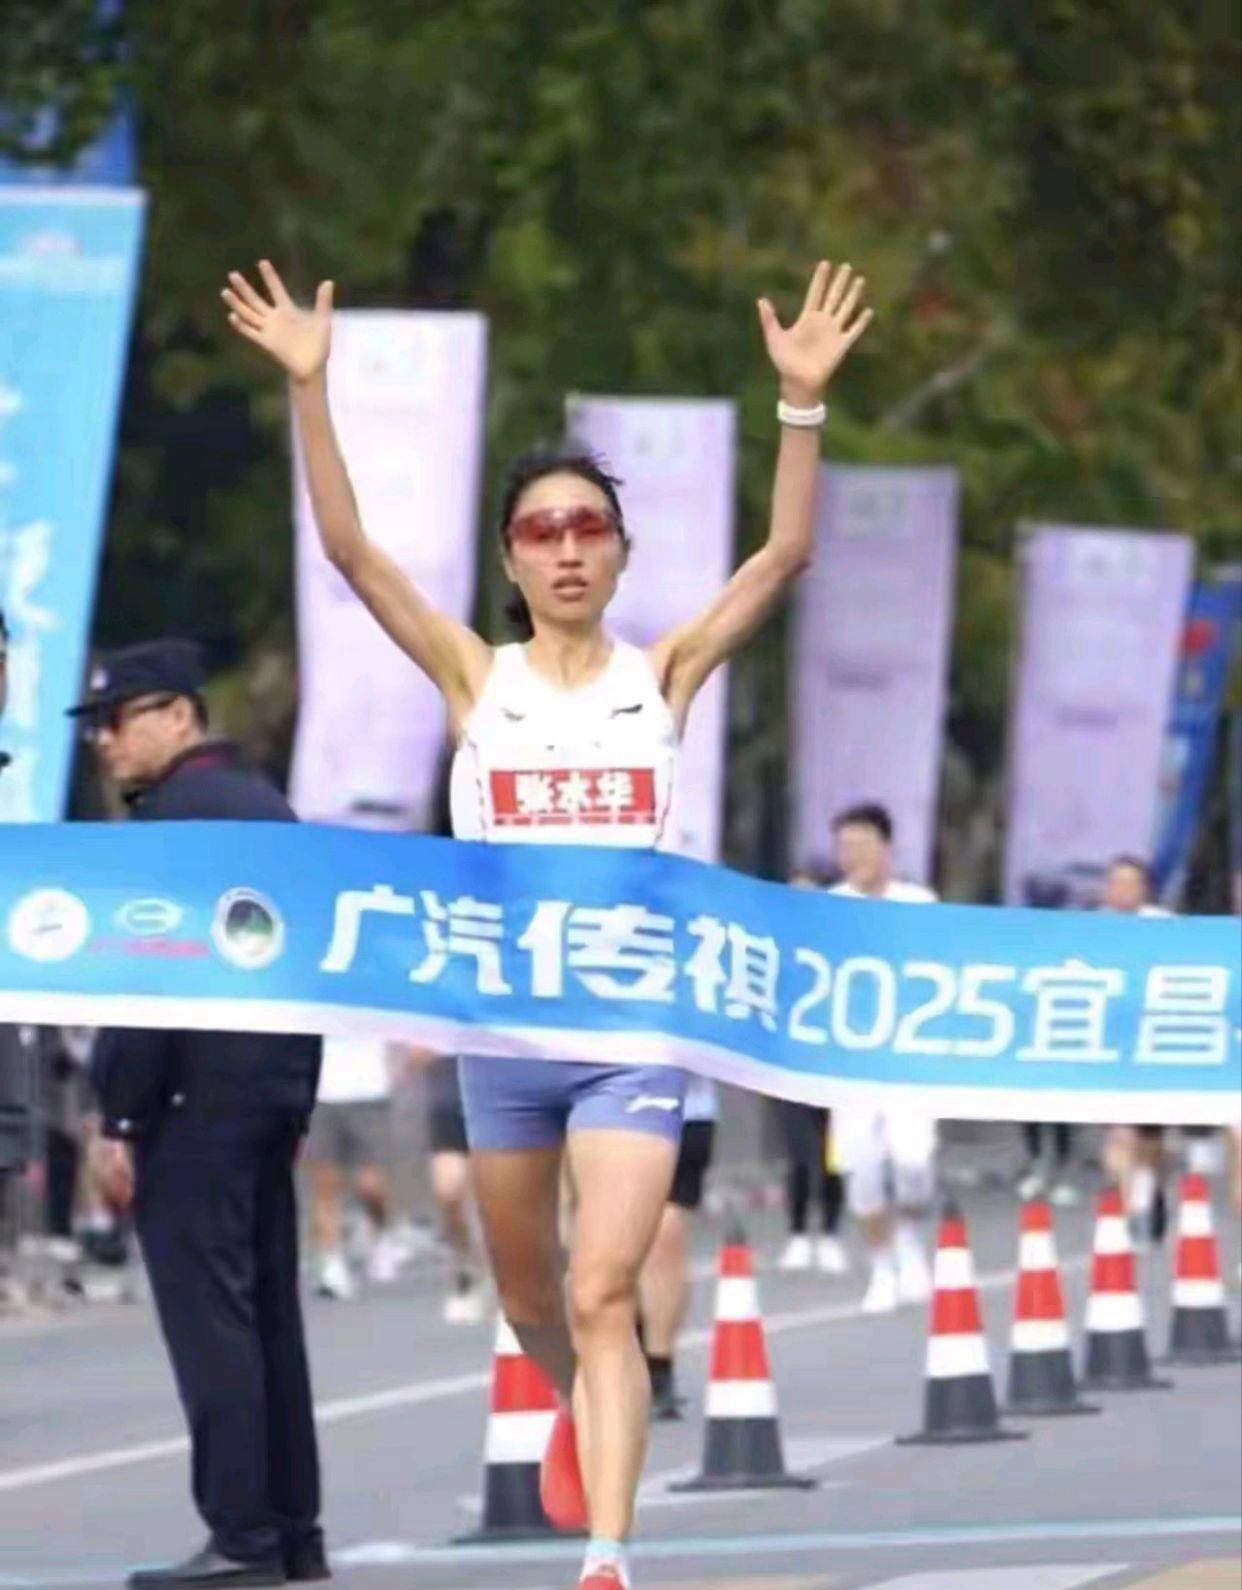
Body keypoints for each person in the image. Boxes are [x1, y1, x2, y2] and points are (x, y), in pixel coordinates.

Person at [224, 253, 872, 1590]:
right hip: (504, 1034)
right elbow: (349, 553)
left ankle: (607, 1555)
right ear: (511, 561)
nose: (568, 548)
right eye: (541, 531)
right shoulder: (478, 676)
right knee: (529, 1298)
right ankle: (589, 1407)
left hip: (631, 1026)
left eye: (588, 527)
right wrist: (308, 387)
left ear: (620, 551)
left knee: (599, 1288)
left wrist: (800, 404)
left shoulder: (662, 673)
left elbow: (785, 554)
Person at [73, 640, 327, 1588]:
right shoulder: (272, 810)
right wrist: (296, 1097)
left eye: (117, 719)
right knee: (270, 1320)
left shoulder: (166, 823)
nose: (105, 742)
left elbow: (147, 984)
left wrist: (119, 1117)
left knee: (210, 1323)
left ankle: (242, 1537)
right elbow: (310, 961)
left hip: (189, 1103)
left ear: (180, 715)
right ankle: (294, 1533)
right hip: (271, 1094)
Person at [827, 803, 938, 1314]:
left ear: (886, 848)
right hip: (850, 1063)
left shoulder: (919, 904)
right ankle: (882, 1266)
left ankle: (910, 1238)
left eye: (862, 845)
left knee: (913, 1160)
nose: (852, 856)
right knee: (862, 1170)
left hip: (908, 1058)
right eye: (844, 847)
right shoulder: (828, 907)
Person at [1098, 854, 1174, 1244]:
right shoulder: (1090, 929)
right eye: (1117, 882)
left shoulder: (1163, 926)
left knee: (1150, 1136)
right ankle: (1130, 1213)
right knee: (1119, 1133)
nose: (1123, 891)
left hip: (1155, 1044)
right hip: (1109, 1047)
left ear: (1144, 889)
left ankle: (1148, 1188)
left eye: (1132, 883)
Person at [639, 1075, 718, 1420]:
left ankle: (659, 1368)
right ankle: (622, 1346)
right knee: (603, 1232)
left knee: (663, 1231)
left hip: (681, 1109)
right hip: (592, 1106)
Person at [305, 1036, 407, 1300]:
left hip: (368, 1093)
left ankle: (382, 1234)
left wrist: (396, 1071)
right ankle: (332, 1264)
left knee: (370, 1185)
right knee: (325, 1187)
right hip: (320, 1096)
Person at [420, 1051, 486, 1323]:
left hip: (495, 1095)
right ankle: (464, 1269)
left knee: (498, 1203)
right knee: (449, 1191)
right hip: (448, 1098)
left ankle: (507, 1292)